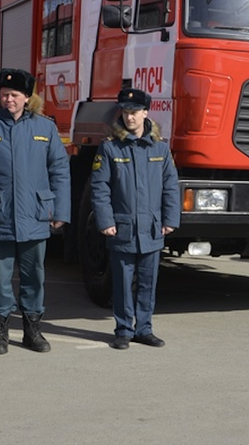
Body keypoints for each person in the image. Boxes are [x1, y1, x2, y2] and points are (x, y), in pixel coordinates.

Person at [0, 68, 71, 355]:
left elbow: (60, 171)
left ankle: (32, 330)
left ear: (27, 97)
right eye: (4, 94)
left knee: (34, 275)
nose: (9, 99)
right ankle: (0, 332)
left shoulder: (45, 128)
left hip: (35, 214)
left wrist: (61, 211)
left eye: (15, 95)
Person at [90, 88, 180, 349]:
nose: (129, 117)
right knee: (121, 281)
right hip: (123, 227)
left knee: (148, 282)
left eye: (134, 112)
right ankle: (123, 330)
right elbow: (100, 187)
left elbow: (170, 186)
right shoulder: (109, 148)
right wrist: (105, 221)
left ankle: (144, 329)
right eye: (126, 112)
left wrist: (170, 219)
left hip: (151, 227)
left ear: (145, 113)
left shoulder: (160, 149)